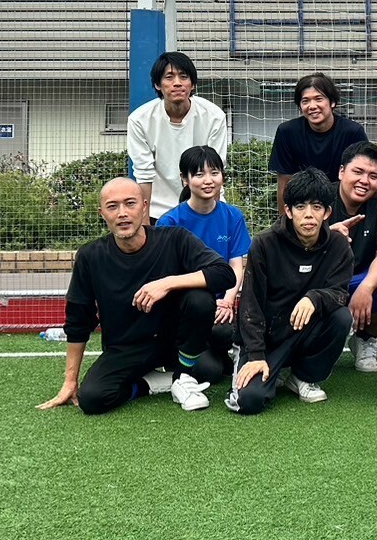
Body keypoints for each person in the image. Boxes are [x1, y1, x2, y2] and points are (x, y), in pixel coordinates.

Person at [38, 178, 236, 416]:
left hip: (174, 341)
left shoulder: (175, 239)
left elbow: (224, 274)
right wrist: (70, 381)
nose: (122, 213)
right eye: (112, 206)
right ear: (102, 214)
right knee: (92, 399)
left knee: (209, 363)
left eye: (130, 203)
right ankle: (153, 383)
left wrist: (167, 283)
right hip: (127, 346)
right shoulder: (90, 257)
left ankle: (182, 376)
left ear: (144, 207)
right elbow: (78, 321)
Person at [229, 169, 353, 415]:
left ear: (327, 213)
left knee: (341, 317)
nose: (308, 215)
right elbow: (251, 304)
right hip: (267, 338)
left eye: (317, 207)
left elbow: (339, 293)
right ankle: (249, 362)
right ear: (288, 210)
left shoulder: (338, 246)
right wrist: (256, 354)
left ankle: (303, 377)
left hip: (302, 333)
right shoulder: (264, 243)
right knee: (249, 401)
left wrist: (315, 297)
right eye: (300, 207)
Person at [156, 145, 251, 375]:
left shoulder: (233, 216)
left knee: (226, 331)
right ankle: (182, 353)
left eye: (214, 173)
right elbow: (167, 277)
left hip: (221, 307)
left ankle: (215, 351)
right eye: (199, 174)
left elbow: (236, 265)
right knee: (212, 372)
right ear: (185, 179)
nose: (208, 180)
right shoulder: (169, 223)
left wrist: (227, 300)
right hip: (189, 307)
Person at [127, 51, 231, 222]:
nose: (177, 83)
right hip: (158, 212)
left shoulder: (214, 116)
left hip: (203, 207)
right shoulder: (139, 120)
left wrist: (211, 219)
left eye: (184, 77)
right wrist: (145, 226)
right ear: (158, 84)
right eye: (169, 77)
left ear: (193, 84)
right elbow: (143, 174)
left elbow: (215, 171)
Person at [329, 141, 377, 373]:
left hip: (360, 279)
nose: (365, 181)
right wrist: (326, 236)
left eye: (373, 176)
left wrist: (366, 287)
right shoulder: (321, 198)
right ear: (342, 172)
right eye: (358, 172)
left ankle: (365, 338)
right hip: (323, 282)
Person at [268, 72, 369, 212]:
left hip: (343, 206)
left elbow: (365, 177)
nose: (312, 106)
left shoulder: (353, 132)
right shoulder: (287, 132)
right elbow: (284, 183)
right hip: (303, 209)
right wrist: (284, 221)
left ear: (332, 102)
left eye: (318, 99)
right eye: (305, 101)